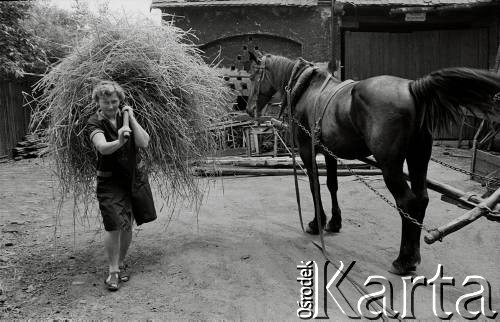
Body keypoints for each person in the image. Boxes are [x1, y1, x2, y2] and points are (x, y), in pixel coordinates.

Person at [87, 80, 157, 291]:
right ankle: (113, 272)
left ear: (120, 101)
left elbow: (144, 142)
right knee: (114, 223)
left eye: (114, 101)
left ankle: (121, 262)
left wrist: (132, 118)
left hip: (133, 178)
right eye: (106, 101)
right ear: (98, 102)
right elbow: (102, 147)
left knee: (127, 222)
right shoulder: (94, 122)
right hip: (109, 181)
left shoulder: (125, 117)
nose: (110, 105)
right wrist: (119, 141)